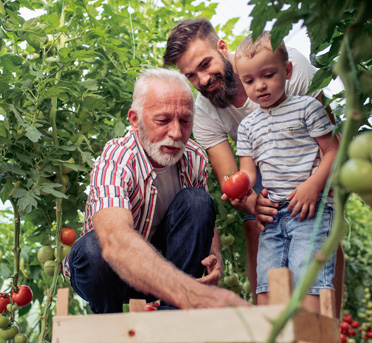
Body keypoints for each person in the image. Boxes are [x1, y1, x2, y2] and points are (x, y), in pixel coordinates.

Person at [163, 17, 344, 315]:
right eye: (191, 76)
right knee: (256, 227)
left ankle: (327, 322)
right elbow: (233, 177)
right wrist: (250, 202)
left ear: (222, 48)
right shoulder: (204, 111)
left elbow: (328, 140)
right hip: (260, 159)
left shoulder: (285, 66)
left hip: (307, 151)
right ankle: (269, 319)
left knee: (316, 224)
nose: (204, 80)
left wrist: (317, 186)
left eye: (206, 64)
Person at [62, 68, 250, 313]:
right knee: (94, 251)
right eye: (162, 120)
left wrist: (214, 254)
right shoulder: (116, 159)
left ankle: (174, 318)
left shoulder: (194, 158)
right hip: (110, 275)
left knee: (197, 201)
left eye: (185, 121)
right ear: (135, 120)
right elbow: (115, 241)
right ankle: (111, 323)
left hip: (166, 272)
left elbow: (202, 221)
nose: (175, 133)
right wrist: (183, 287)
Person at [231, 31, 339, 313]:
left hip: (309, 210)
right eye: (250, 80)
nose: (260, 86)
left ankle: (314, 334)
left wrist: (313, 185)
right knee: (267, 282)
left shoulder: (307, 108)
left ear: (287, 70)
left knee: (308, 280)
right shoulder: (248, 127)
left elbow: (333, 151)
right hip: (272, 215)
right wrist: (239, 189)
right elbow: (249, 173)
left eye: (268, 75)